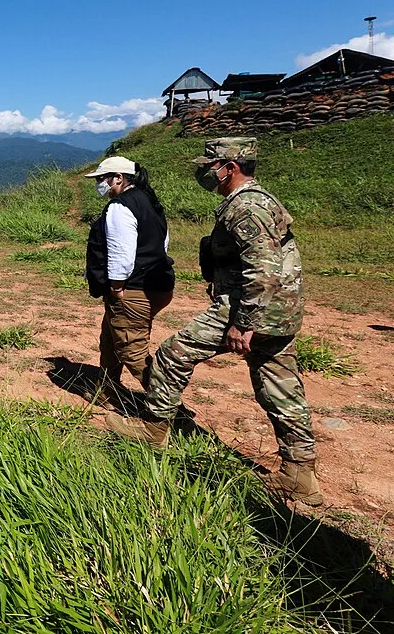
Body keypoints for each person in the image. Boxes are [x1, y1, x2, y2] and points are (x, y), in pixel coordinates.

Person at [108, 137, 321, 505]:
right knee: (278, 385)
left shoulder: (248, 207)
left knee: (172, 354)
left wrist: (244, 321)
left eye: (211, 165)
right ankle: (300, 472)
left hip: (249, 309)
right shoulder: (257, 201)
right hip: (280, 311)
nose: (206, 172)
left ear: (231, 167)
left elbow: (263, 267)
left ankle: (155, 429)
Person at [82, 156, 175, 408]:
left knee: (132, 350)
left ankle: (168, 407)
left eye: (102, 179)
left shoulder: (120, 206)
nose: (100, 184)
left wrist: (117, 286)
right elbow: (162, 244)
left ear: (118, 178)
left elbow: (121, 252)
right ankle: (106, 391)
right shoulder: (149, 202)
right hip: (158, 283)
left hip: (133, 288)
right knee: (111, 338)